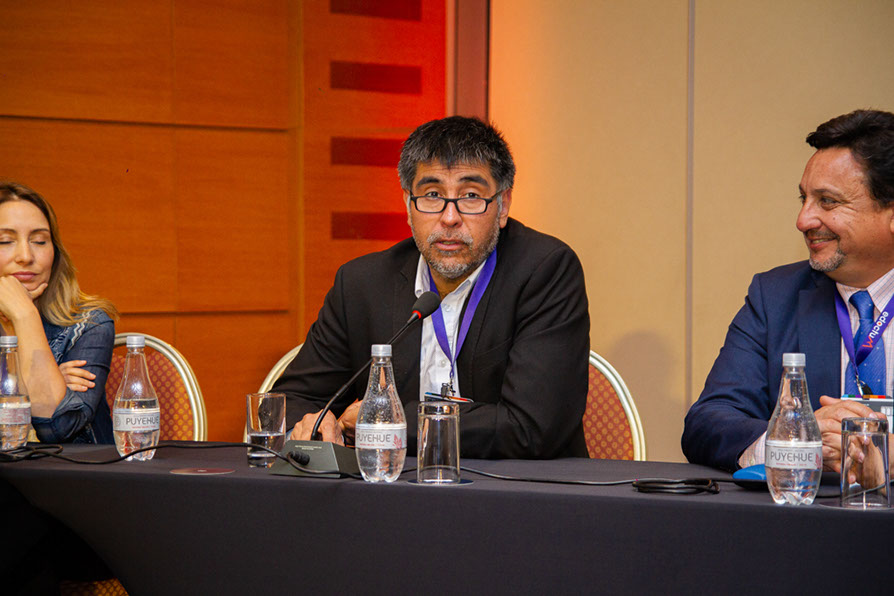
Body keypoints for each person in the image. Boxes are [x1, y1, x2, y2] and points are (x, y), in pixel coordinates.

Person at [276, 116, 590, 459]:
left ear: (503, 206)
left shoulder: (545, 271)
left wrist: (387, 421)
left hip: (517, 487)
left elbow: (531, 428)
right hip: (393, 485)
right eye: (432, 195)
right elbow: (291, 402)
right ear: (408, 206)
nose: (450, 217)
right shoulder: (361, 284)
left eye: (471, 196)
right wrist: (313, 423)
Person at [682, 109, 894, 472]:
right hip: (804, 506)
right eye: (803, 200)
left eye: (827, 201)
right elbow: (708, 422)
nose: (803, 220)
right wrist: (795, 438)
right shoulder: (775, 297)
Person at [0, 182, 117, 444]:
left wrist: (25, 315)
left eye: (39, 241)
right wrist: (34, 385)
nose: (25, 256)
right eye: (5, 241)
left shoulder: (90, 323)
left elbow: (57, 426)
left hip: (69, 470)